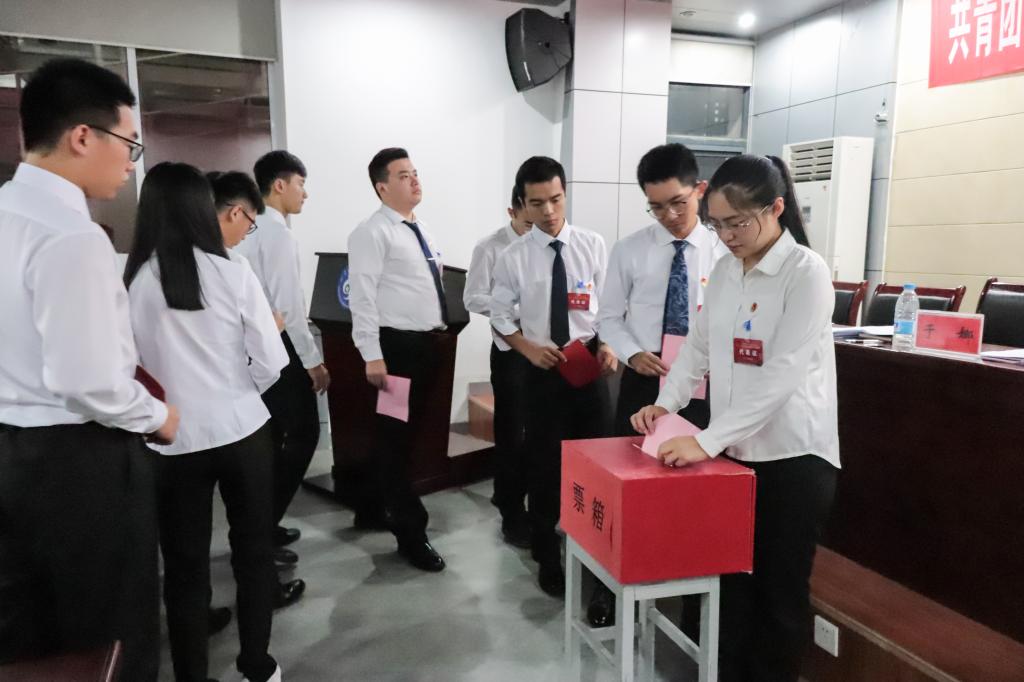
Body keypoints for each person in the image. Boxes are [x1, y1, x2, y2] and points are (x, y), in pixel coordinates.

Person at [631, 154, 840, 682]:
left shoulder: (806, 273)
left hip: (792, 459)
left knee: (779, 593)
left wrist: (706, 440)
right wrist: (667, 403)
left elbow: (782, 374)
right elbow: (699, 346)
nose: (725, 236)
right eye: (717, 224)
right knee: (732, 584)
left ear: (776, 208)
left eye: (738, 223)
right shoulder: (726, 270)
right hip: (735, 456)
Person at [0, 58, 176, 681]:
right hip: (78, 463)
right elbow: (87, 381)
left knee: (30, 639)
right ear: (82, 136)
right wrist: (158, 416)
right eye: (128, 143)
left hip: (11, 455)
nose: (130, 163)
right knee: (109, 633)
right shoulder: (71, 235)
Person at [125, 162, 288, 682]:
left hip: (172, 440)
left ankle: (192, 676)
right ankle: (257, 665)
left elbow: (126, 369)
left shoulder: (133, 281)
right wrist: (238, 390)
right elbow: (272, 360)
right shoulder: (232, 271)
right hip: (243, 431)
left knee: (185, 568)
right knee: (253, 553)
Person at [590, 142, 728, 627]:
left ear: (700, 191)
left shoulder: (724, 251)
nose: (668, 215)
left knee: (694, 492)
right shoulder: (630, 250)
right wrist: (632, 353)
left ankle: (690, 600)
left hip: (705, 389)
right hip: (645, 382)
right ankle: (609, 587)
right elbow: (608, 317)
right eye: (656, 206)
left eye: (678, 203)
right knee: (628, 487)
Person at [490, 156, 617, 597]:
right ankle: (548, 556)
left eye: (556, 199)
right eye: (537, 203)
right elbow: (500, 316)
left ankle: (598, 559)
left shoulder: (592, 244)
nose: (548, 211)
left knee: (598, 465)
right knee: (545, 467)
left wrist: (609, 345)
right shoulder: (513, 257)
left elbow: (609, 306)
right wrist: (528, 348)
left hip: (588, 366)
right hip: (542, 370)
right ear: (521, 204)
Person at [347, 147, 447, 572]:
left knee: (399, 437)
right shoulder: (372, 232)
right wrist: (372, 354)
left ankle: (370, 506)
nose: (414, 180)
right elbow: (362, 297)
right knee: (396, 441)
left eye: (415, 172)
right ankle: (410, 532)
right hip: (396, 351)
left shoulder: (419, 229)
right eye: (404, 175)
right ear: (382, 187)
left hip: (425, 347)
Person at [235, 150, 326, 604]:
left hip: (252, 347)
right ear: (279, 186)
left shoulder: (248, 232)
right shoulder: (276, 233)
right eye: (300, 184)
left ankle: (263, 527)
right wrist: (312, 360)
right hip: (281, 345)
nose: (304, 194)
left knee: (271, 439)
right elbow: (289, 305)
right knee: (304, 434)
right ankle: (262, 527)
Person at [463, 186, 533, 548]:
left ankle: (531, 502)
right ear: (512, 211)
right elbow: (472, 297)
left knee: (539, 431)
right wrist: (517, 309)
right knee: (511, 432)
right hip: (510, 350)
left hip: (545, 351)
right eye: (527, 222)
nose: (535, 228)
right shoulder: (490, 247)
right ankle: (510, 509)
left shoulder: (548, 244)